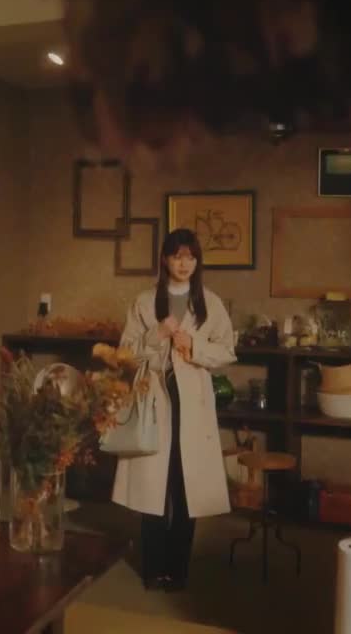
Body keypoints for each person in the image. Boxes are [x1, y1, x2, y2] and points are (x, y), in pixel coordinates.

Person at [112, 228, 236, 591]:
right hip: (154, 400)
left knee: (186, 486)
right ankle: (153, 569)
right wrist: (157, 334)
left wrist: (193, 344)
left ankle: (177, 570)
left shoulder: (210, 303)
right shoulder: (144, 302)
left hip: (192, 402)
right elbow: (125, 354)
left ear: (197, 262)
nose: (184, 264)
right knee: (153, 487)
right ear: (165, 259)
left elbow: (227, 351)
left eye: (191, 257)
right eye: (177, 256)